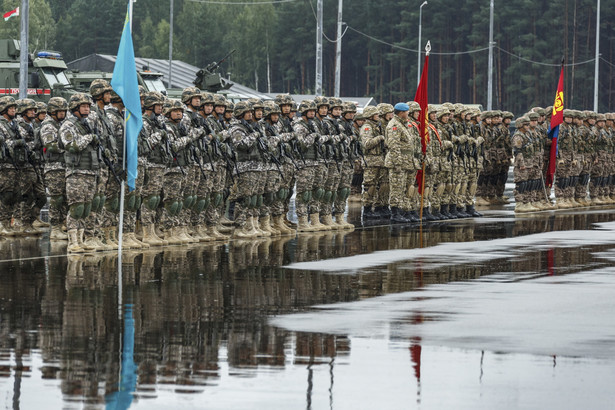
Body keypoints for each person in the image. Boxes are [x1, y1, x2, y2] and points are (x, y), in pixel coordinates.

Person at [60, 93, 101, 253]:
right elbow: (71, 146)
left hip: (90, 171)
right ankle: (73, 242)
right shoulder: (68, 126)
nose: (87, 109)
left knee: (86, 208)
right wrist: (89, 138)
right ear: (75, 108)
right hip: (76, 172)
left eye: (88, 106)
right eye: (84, 106)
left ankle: (82, 239)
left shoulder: (88, 125)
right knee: (76, 208)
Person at [385, 102, 421, 223]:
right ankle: (395, 213)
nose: (408, 114)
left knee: (407, 188)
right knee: (397, 188)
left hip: (408, 162)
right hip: (398, 163)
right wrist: (398, 163)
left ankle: (405, 211)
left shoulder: (405, 124)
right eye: (406, 112)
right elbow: (394, 146)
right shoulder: (394, 125)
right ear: (401, 113)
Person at [40, 97, 69, 240]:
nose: (62, 114)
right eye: (60, 111)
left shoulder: (61, 124)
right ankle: (55, 227)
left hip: (64, 166)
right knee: (56, 199)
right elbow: (50, 145)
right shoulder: (48, 126)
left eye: (64, 111)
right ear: (52, 111)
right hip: (53, 168)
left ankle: (63, 224)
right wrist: (68, 147)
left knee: (64, 198)